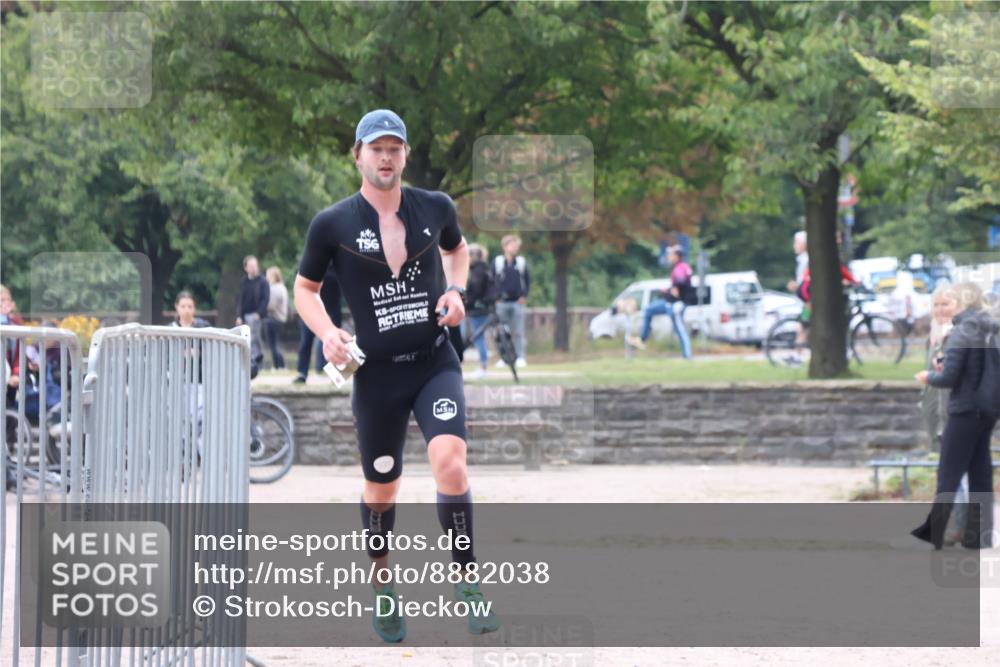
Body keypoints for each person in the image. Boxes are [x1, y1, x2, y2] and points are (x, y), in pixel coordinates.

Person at [293, 109, 499, 642]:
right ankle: (383, 584)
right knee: (382, 488)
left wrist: (455, 291)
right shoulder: (332, 224)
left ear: (405, 155)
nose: (386, 158)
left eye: (394, 148)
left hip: (434, 362)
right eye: (376, 148)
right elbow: (305, 290)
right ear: (358, 156)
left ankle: (468, 580)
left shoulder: (435, 206)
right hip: (377, 376)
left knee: (450, 464)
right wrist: (327, 333)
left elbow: (457, 249)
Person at [913, 282, 998, 549]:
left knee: (948, 473)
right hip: (988, 410)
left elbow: (949, 377)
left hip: (965, 410)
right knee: (980, 474)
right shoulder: (989, 328)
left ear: (961, 302)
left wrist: (929, 376)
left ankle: (934, 533)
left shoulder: (962, 330)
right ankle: (980, 535)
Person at [919, 284, 968, 544]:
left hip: (958, 414)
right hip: (940, 416)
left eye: (946, 304)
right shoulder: (935, 336)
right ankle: (957, 527)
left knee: (957, 474)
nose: (940, 310)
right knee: (952, 474)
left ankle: (961, 527)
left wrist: (937, 373)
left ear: (959, 306)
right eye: (936, 305)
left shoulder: (960, 336)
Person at [629, 245, 694, 359]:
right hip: (671, 303)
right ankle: (642, 339)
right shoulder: (684, 267)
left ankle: (687, 356)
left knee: (680, 329)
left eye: (671, 254)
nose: (669, 256)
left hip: (675, 304)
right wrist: (668, 290)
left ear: (677, 255)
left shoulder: (679, 268)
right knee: (649, 310)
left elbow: (680, 283)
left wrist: (672, 291)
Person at [293, 263, 343, 384]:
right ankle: (302, 373)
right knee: (306, 342)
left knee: (333, 344)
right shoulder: (312, 263)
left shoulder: (337, 266)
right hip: (312, 310)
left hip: (331, 310)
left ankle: (332, 375)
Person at [493, 234, 530, 368]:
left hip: (516, 302)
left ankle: (520, 357)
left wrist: (524, 295)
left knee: (519, 331)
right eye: (513, 245)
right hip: (501, 303)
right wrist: (495, 298)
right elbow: (491, 280)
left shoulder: (520, 262)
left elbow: (527, 280)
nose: (515, 248)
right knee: (502, 332)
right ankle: (505, 358)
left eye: (517, 246)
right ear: (505, 246)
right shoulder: (498, 262)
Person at [463, 244, 496, 378]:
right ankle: (484, 365)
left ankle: (483, 366)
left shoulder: (477, 271)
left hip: (477, 308)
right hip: (485, 306)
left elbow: (475, 289)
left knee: (478, 337)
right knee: (481, 336)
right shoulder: (486, 268)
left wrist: (467, 304)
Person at [235, 255, 268, 368]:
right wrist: (239, 316)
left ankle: (257, 360)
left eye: (255, 266)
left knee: (255, 337)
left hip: (256, 315)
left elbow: (265, 299)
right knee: (244, 338)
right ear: (246, 268)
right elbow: (240, 300)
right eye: (251, 266)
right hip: (245, 315)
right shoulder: (244, 281)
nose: (254, 268)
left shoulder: (263, 281)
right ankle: (247, 360)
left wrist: (259, 313)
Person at [264, 267, 289, 370]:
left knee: (273, 344)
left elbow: (270, 306)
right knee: (278, 343)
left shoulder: (273, 288)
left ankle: (278, 366)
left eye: (267, 275)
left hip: (273, 318)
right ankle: (281, 365)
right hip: (281, 319)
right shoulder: (282, 287)